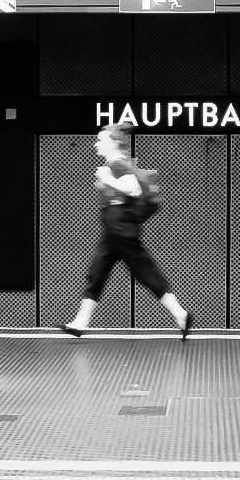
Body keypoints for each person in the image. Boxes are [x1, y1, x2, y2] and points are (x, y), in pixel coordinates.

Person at [58, 123, 194, 341]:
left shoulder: (117, 164)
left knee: (145, 272)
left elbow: (134, 188)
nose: (96, 144)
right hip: (114, 230)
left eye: (101, 141)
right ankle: (81, 322)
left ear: (113, 143)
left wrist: (107, 179)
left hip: (121, 230)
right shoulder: (114, 164)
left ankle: (181, 315)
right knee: (97, 272)